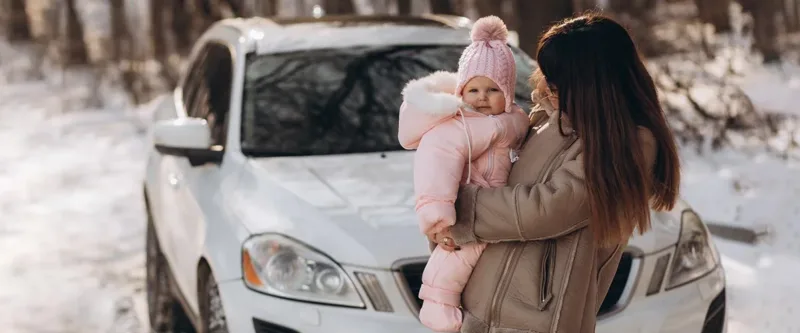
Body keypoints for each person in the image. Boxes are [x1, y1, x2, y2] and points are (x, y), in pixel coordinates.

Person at [430, 13, 681, 333]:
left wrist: (460, 207)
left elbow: (549, 208)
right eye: (549, 76)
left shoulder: (629, 143)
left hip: (537, 318)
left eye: (559, 80)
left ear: (593, 82)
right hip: (481, 307)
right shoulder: (546, 120)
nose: (549, 85)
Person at [397, 16, 530, 332]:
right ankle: (437, 309)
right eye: (473, 89)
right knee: (454, 259)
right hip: (465, 212)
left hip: (496, 210)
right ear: (460, 91)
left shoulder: (514, 121)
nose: (482, 97)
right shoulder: (455, 127)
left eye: (493, 89)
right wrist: (439, 219)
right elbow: (434, 168)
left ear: (508, 94)